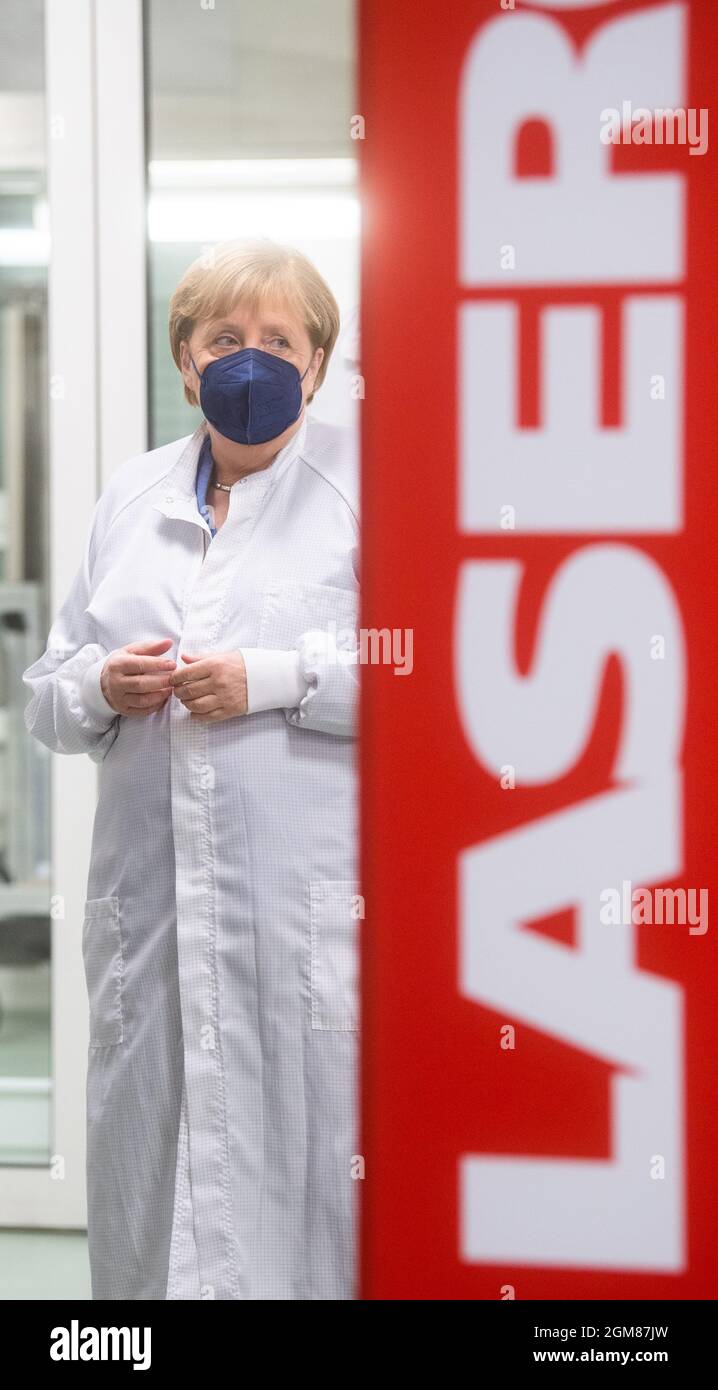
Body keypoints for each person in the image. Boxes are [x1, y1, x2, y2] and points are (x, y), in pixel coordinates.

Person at [23, 238, 360, 1300]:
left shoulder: (371, 489)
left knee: (315, 1208)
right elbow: (48, 690)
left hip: (297, 928)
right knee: (151, 1217)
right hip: (152, 928)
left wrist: (272, 675)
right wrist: (96, 688)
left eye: (278, 340)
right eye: (225, 339)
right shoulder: (131, 497)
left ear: (315, 363)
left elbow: (430, 676)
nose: (250, 359)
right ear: (184, 359)